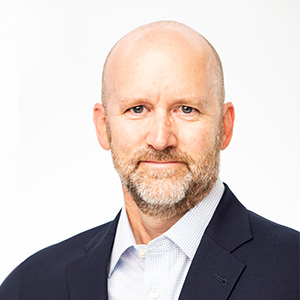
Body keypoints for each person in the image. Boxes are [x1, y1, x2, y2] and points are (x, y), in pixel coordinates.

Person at [0, 20, 299, 300]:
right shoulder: (29, 286)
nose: (160, 139)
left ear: (225, 126)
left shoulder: (293, 272)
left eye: (185, 109)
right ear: (103, 127)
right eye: (138, 109)